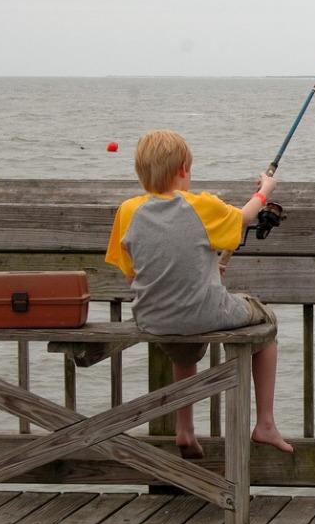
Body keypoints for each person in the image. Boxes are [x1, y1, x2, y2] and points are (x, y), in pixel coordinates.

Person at [105, 129, 293, 458]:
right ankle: (264, 423)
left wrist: (205, 271)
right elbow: (246, 217)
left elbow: (133, 272)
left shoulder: (128, 211)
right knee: (267, 325)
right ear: (182, 170)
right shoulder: (201, 205)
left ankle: (185, 428)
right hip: (204, 312)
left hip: (152, 318)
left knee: (183, 349)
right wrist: (265, 191)